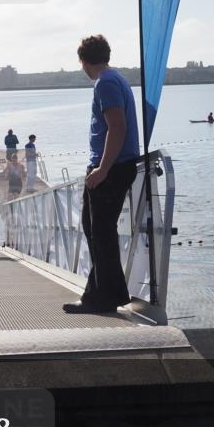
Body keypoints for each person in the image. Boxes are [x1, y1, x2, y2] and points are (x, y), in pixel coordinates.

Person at [63, 35, 140, 314]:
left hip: (111, 167)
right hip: (116, 165)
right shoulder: (115, 78)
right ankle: (109, 293)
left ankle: (101, 299)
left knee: (100, 233)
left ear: (83, 61)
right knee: (97, 231)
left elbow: (116, 128)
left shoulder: (105, 83)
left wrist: (102, 169)